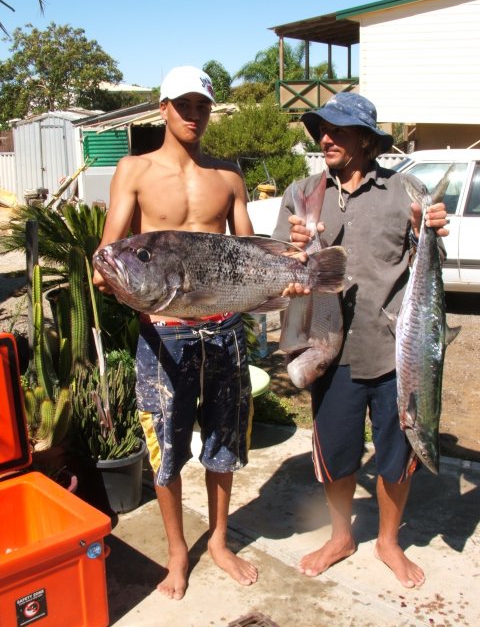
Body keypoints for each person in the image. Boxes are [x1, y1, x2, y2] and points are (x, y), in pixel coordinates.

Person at [93, 65, 258, 600]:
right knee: (165, 448)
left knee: (224, 442)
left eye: (202, 105)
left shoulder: (229, 176)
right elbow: (107, 253)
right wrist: (113, 281)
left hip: (224, 329)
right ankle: (177, 554)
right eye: (183, 105)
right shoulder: (134, 170)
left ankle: (219, 542)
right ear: (162, 108)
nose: (194, 115)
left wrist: (283, 280)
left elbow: (248, 256)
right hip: (165, 333)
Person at [272, 92, 449, 589]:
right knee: (338, 451)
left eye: (338, 130)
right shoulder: (302, 192)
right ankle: (340, 536)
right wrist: (295, 251)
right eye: (320, 130)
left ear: (367, 141)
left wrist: (432, 226)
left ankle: (388, 541)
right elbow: (284, 270)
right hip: (328, 349)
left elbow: (426, 260)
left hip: (396, 352)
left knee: (397, 454)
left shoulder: (405, 189)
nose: (324, 138)